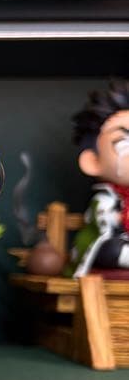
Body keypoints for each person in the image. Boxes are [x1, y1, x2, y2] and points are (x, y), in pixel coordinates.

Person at [71, 78, 129, 276]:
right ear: (92, 161)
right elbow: (99, 218)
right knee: (110, 250)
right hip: (118, 243)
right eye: (124, 143)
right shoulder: (106, 198)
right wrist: (117, 217)